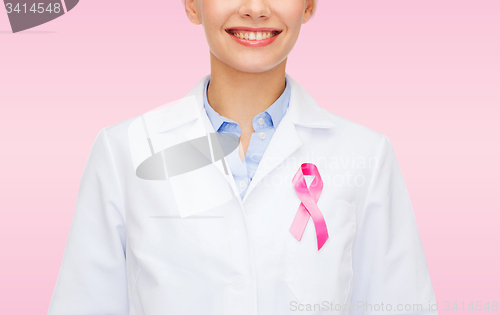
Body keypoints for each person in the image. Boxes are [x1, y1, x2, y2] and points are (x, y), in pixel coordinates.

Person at [47, 0, 438, 314]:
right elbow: (85, 303)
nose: (255, 8)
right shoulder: (124, 151)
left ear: (309, 6)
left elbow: (401, 304)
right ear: (192, 5)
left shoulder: (365, 155)